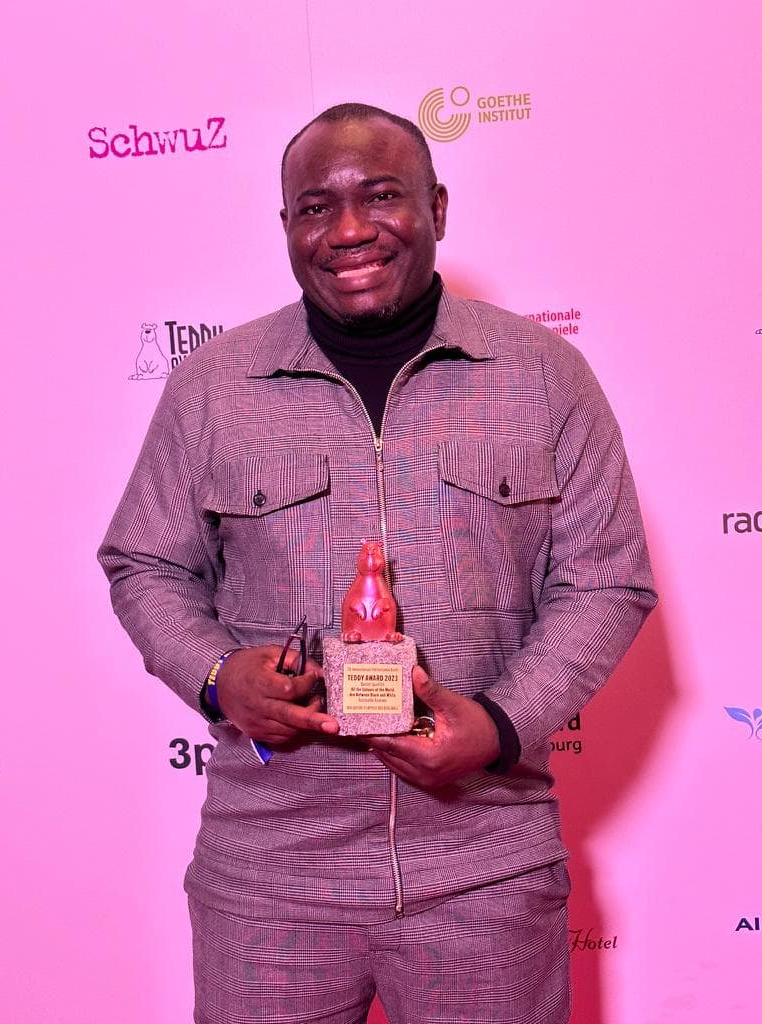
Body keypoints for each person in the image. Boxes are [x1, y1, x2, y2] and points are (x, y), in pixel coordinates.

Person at [99, 102, 657, 1024]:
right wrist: (214, 676)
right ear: (286, 228)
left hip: (484, 868)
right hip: (270, 876)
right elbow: (144, 563)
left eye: (382, 196)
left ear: (438, 205)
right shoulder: (215, 386)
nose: (349, 230)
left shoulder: (543, 375)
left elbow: (605, 578)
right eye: (315, 207)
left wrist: (501, 726)